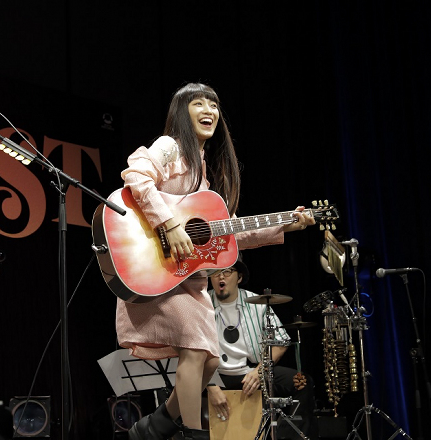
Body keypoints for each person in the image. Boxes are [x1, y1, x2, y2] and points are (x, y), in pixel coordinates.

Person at [115, 83, 315, 440]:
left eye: (214, 105)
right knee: (196, 350)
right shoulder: (170, 147)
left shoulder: (204, 175)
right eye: (199, 103)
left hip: (186, 279)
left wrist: (285, 224)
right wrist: (169, 224)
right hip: (156, 268)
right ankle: (192, 433)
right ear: (182, 111)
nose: (209, 110)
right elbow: (136, 175)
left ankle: (154, 426)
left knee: (209, 359)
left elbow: (230, 233)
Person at [207, 255, 317, 439]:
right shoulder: (201, 304)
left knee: (302, 383)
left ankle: (285, 436)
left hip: (251, 372)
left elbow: (280, 342)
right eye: (216, 272)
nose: (221, 276)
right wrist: (210, 385)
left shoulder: (256, 303)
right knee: (177, 386)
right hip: (215, 375)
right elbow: (190, 351)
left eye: (227, 271)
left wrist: (260, 371)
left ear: (239, 277)